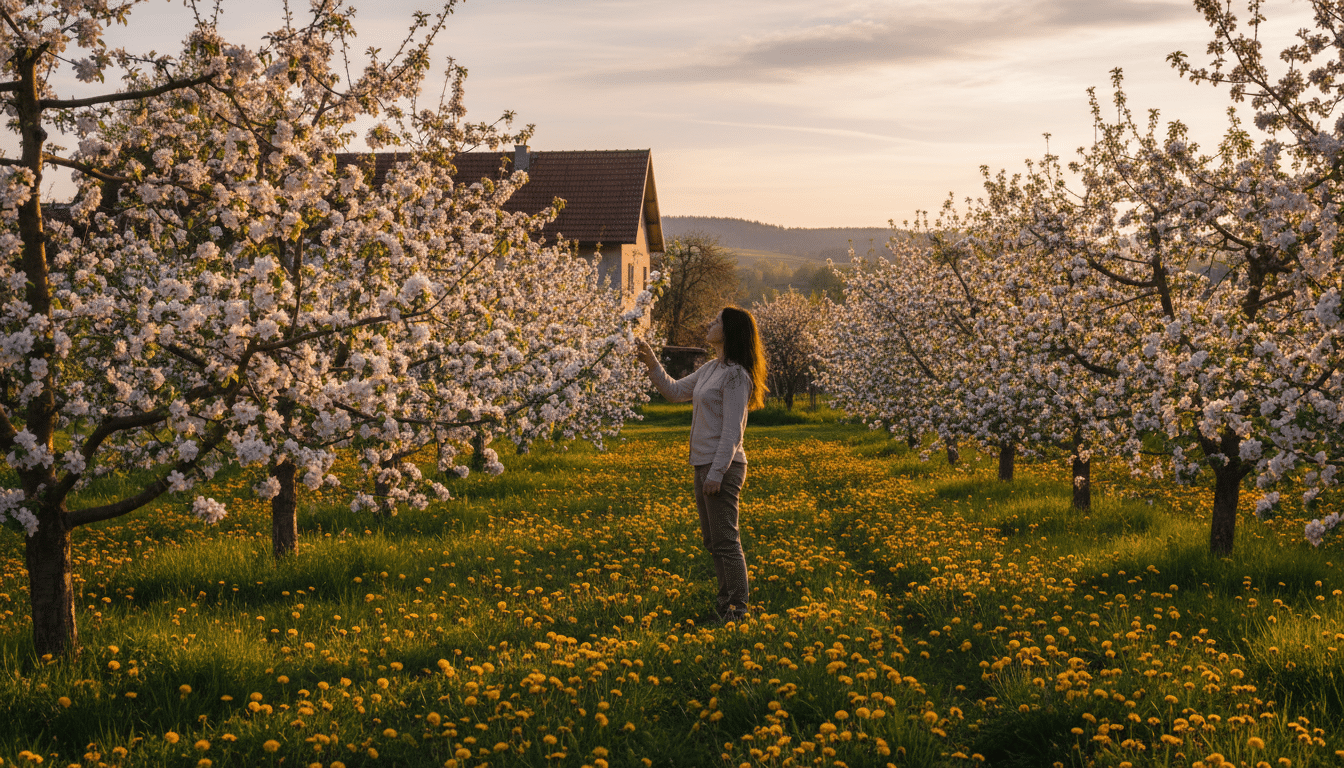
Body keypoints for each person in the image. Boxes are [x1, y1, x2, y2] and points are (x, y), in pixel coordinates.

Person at [636, 307, 768, 625]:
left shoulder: (736, 375)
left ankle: (737, 610)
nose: (709, 324)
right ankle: (725, 607)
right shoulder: (711, 369)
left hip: (722, 466)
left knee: (725, 539)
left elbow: (733, 430)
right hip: (703, 464)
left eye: (716, 321)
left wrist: (717, 471)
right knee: (713, 540)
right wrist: (652, 362)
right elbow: (675, 391)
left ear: (730, 331)